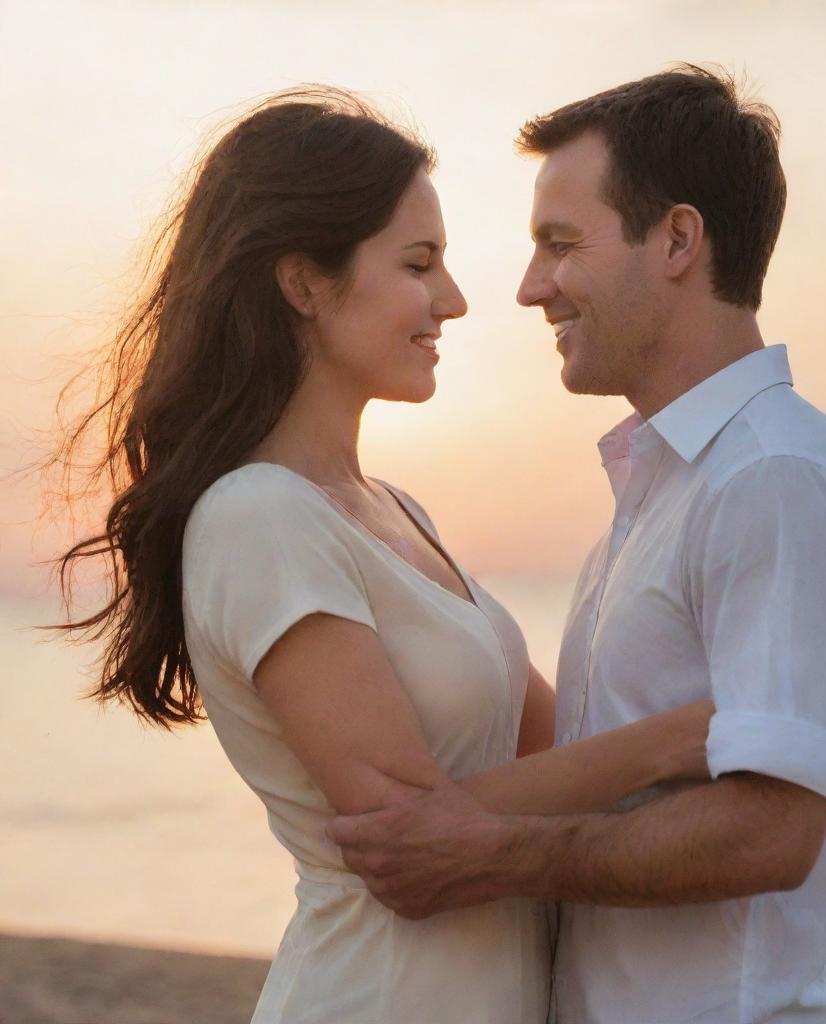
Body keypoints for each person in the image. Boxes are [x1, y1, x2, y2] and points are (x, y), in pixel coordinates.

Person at [50, 86, 717, 1023]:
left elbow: (562, 749)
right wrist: (684, 733)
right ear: (305, 284)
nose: (453, 299)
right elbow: (413, 845)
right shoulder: (258, 519)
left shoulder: (396, 511)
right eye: (419, 264)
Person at [327, 66, 826, 1023]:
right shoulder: (667, 489)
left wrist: (483, 856)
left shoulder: (774, 478)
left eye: (560, 245)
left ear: (677, 239)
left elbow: (772, 829)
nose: (527, 288)